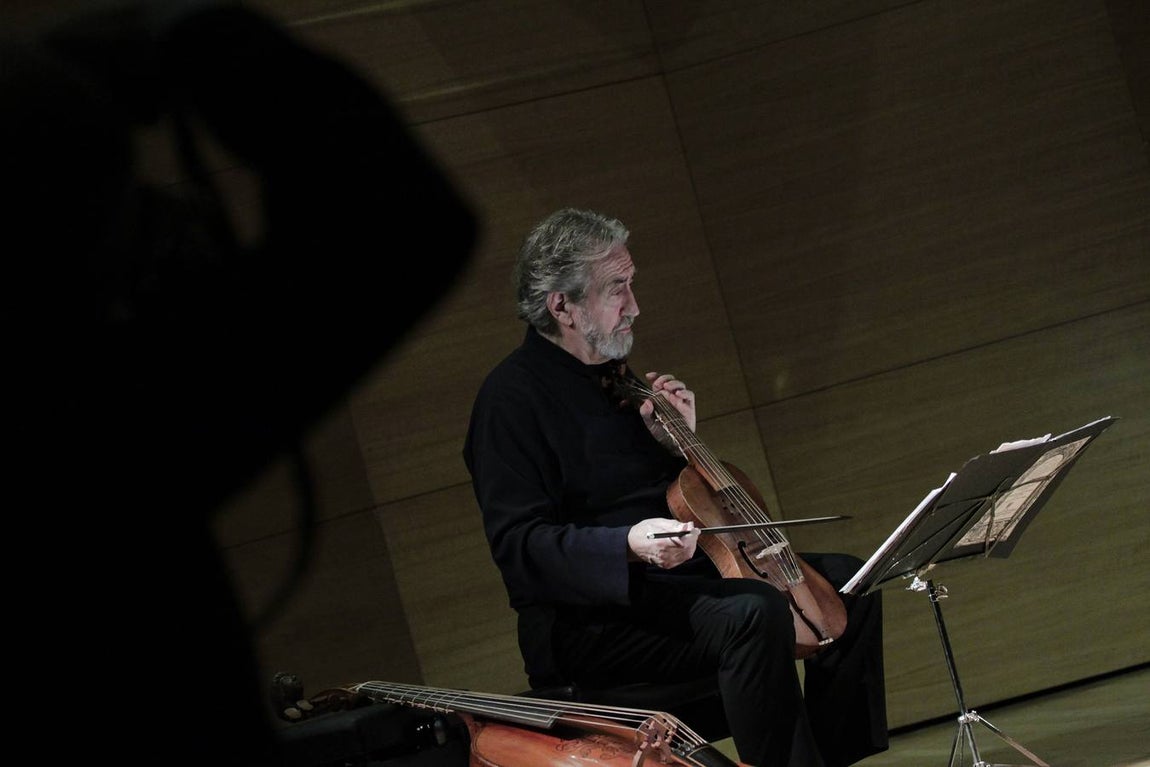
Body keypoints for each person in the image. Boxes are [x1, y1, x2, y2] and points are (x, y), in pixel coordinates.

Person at [463, 208, 887, 767]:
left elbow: (670, 498)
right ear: (561, 306)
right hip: (589, 623)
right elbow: (519, 548)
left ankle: (833, 760)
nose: (634, 306)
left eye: (630, 285)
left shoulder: (617, 378)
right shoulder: (509, 401)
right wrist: (626, 545)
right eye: (617, 289)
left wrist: (679, 443)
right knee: (754, 612)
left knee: (853, 584)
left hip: (676, 584)